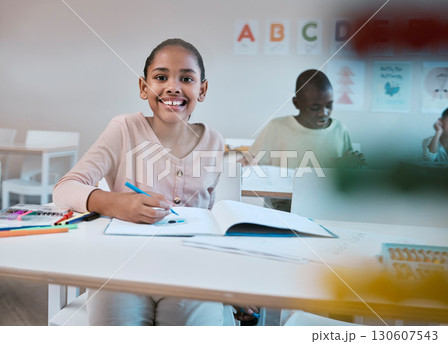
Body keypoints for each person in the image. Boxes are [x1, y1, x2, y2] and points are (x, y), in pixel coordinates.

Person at [53, 38, 226, 325]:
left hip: (190, 267)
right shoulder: (124, 129)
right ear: (143, 88)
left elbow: (211, 215)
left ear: (202, 89)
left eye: (186, 78)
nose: (173, 86)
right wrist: (114, 203)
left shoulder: (214, 141)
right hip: (122, 265)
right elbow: (64, 189)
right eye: (161, 77)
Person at [241, 69, 365, 211]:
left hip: (325, 208)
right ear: (297, 103)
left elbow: (348, 179)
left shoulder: (339, 130)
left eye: (329, 105)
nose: (323, 113)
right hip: (283, 208)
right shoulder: (276, 127)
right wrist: (245, 166)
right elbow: (249, 165)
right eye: (315, 107)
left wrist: (352, 166)